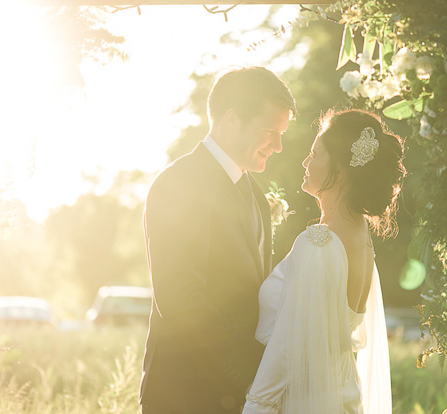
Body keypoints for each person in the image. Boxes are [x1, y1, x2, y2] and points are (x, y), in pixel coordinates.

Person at [140, 66, 296, 414]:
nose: (279, 146)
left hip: (238, 397)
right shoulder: (177, 185)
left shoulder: (254, 195)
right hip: (184, 395)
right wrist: (259, 367)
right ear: (231, 119)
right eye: (270, 131)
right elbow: (180, 300)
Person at [242, 109, 405, 414]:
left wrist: (255, 407)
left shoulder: (319, 243)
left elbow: (287, 348)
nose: (305, 162)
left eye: (314, 153)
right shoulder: (360, 235)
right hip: (341, 396)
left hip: (306, 401)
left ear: (341, 170)